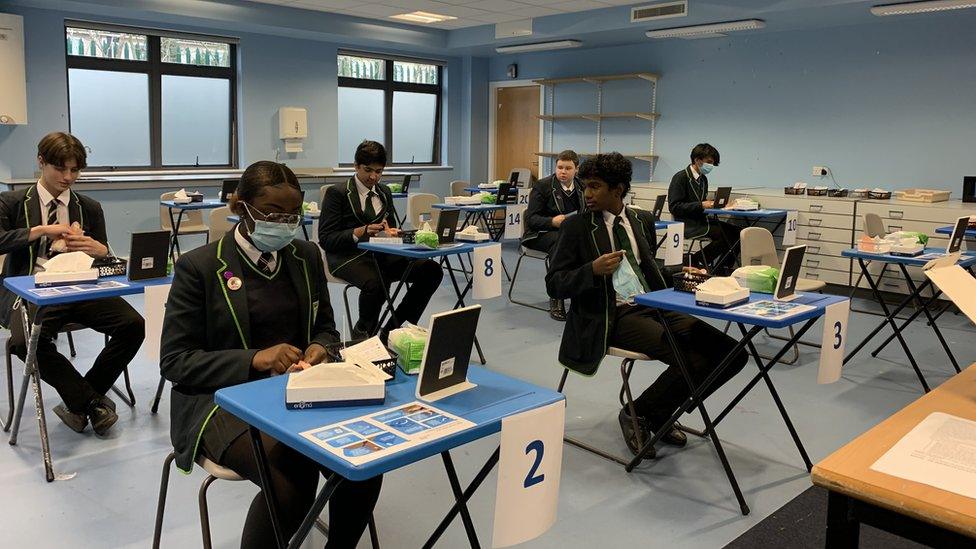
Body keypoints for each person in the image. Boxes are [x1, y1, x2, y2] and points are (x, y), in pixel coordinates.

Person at [160, 161, 382, 548]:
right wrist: (255, 359)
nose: (284, 222)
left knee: (363, 459)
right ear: (241, 206)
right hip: (218, 400)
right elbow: (176, 361)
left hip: (299, 389)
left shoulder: (306, 256)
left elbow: (326, 329)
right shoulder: (200, 267)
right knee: (291, 478)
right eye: (273, 214)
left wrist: (320, 349)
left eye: (293, 215)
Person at [546, 152, 746, 459]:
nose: (587, 193)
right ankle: (640, 413)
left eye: (595, 186)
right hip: (610, 315)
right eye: (586, 186)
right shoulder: (577, 227)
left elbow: (645, 269)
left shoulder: (641, 220)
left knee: (733, 354)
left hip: (653, 305)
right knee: (690, 358)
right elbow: (554, 282)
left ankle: (651, 412)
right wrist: (591, 270)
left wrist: (682, 274)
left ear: (618, 189)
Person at [0, 132, 144, 436]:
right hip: (30, 289)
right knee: (24, 342)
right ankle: (92, 403)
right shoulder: (11, 202)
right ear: (41, 161)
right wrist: (39, 230)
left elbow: (106, 262)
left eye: (75, 170)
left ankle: (82, 400)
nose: (68, 177)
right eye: (60, 169)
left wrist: (101, 250)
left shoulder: (89, 207)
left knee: (134, 324)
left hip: (80, 287)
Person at [319, 140, 443, 339]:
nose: (373, 176)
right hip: (347, 256)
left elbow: (391, 227)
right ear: (356, 166)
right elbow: (326, 239)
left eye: (379, 171)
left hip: (381, 253)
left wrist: (393, 233)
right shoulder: (338, 193)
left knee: (431, 270)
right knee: (377, 282)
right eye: (368, 170)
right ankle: (363, 334)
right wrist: (360, 231)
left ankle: (394, 331)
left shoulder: (384, 192)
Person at [522, 150, 585, 321]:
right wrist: (552, 222)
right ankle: (557, 297)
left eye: (568, 168)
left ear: (576, 169)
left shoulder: (582, 186)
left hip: (569, 233)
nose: (563, 172)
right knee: (561, 244)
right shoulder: (542, 186)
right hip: (540, 233)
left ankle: (584, 295)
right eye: (560, 167)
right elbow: (531, 219)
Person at [667, 143, 741, 274]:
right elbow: (674, 207)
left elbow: (702, 203)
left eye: (713, 163)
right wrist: (701, 205)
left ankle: (719, 267)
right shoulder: (680, 178)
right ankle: (700, 260)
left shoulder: (703, 179)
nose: (711, 166)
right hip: (688, 224)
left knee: (739, 233)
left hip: (701, 220)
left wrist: (718, 204)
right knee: (726, 236)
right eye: (709, 162)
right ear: (697, 160)